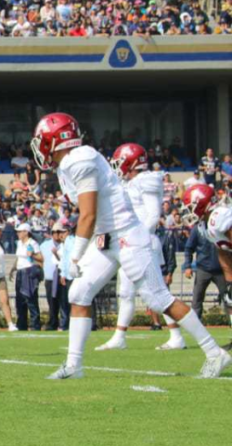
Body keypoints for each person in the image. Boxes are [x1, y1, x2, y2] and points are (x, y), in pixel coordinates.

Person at [30, 113, 229, 379]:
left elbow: (88, 214)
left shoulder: (80, 159)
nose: (40, 145)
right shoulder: (67, 165)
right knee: (78, 294)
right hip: (106, 238)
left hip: (126, 236)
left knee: (158, 299)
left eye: (43, 139)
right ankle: (74, 365)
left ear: (57, 139)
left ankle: (215, 352)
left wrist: (75, 255)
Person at [97, 143, 185, 352]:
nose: (119, 166)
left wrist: (135, 238)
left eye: (121, 161)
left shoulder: (146, 180)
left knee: (157, 293)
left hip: (142, 242)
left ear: (133, 161)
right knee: (126, 292)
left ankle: (176, 336)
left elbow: (153, 216)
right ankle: (119, 337)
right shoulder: (130, 182)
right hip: (131, 242)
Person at [183, 184, 232, 350]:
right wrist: (230, 282)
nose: (189, 211)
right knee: (230, 299)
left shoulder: (218, 217)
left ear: (202, 204)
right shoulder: (205, 226)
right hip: (217, 267)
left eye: (191, 207)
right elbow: (223, 253)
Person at [182, 207, 227, 322]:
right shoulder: (197, 229)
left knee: (228, 299)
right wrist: (187, 266)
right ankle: (195, 325)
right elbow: (189, 248)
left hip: (221, 270)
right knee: (197, 298)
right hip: (203, 269)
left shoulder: (223, 228)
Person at [11, 223, 43, 331]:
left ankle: (35, 324)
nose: (18, 233)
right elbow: (18, 258)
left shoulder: (32, 243)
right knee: (20, 299)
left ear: (26, 232)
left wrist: (32, 255)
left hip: (29, 271)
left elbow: (41, 258)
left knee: (31, 299)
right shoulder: (19, 243)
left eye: (20, 231)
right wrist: (13, 269)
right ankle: (22, 324)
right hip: (20, 271)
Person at [44, 223, 72, 331]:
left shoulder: (67, 244)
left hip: (64, 274)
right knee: (55, 301)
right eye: (55, 232)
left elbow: (64, 260)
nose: (58, 234)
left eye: (60, 232)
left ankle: (64, 323)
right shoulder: (47, 245)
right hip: (55, 275)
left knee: (64, 300)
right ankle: (57, 323)